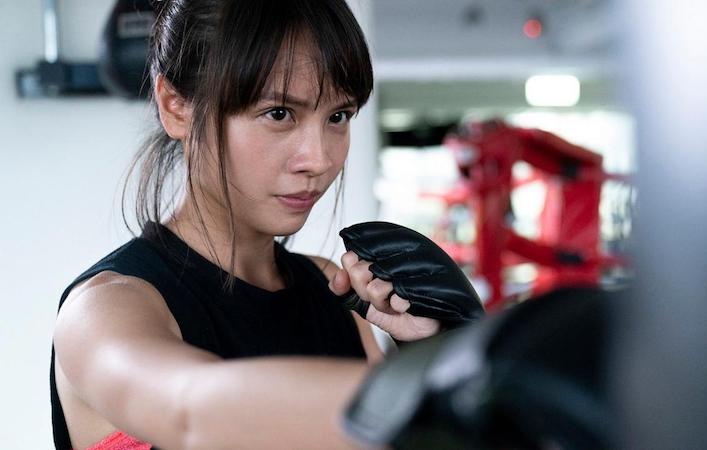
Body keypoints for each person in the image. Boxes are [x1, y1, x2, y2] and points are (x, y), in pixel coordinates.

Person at [50, 1, 441, 448]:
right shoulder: (105, 309)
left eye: (338, 116)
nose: (318, 159)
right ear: (176, 107)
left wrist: (425, 353)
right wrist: (439, 388)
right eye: (279, 113)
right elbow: (190, 414)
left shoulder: (331, 289)